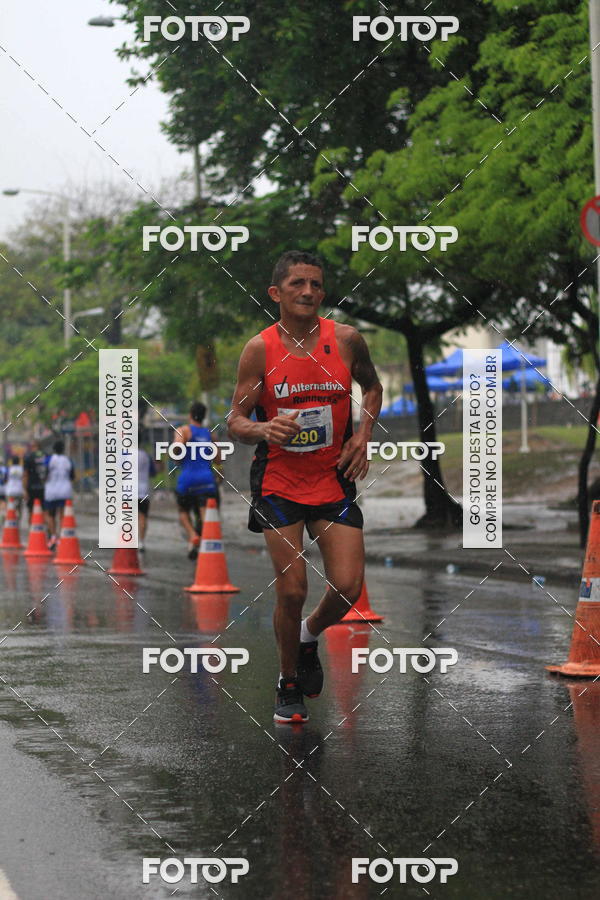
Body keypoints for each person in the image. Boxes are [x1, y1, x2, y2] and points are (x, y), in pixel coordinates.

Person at [228, 250, 383, 724]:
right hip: (278, 481)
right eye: (297, 284)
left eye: (316, 284)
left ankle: (309, 635)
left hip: (332, 477)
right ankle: (288, 681)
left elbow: (372, 388)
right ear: (276, 293)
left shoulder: (348, 340)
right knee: (291, 590)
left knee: (349, 585)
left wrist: (362, 434)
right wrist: (264, 428)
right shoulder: (260, 350)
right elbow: (235, 419)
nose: (308, 292)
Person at [173, 402, 220, 559]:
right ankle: (205, 546)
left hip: (187, 480)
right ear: (204, 416)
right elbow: (219, 459)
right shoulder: (210, 434)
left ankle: (193, 535)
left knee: (183, 511)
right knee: (204, 516)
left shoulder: (184, 431)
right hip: (207, 481)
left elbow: (176, 451)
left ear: (190, 414)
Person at [43, 440, 74, 549]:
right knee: (62, 515)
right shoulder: (68, 460)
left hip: (51, 491)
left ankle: (53, 537)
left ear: (53, 449)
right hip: (65, 491)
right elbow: (72, 477)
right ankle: (62, 537)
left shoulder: (49, 460)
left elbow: (45, 475)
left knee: (51, 515)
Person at [137, 435, 157, 551]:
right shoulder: (145, 456)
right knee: (143, 516)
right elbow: (153, 473)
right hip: (143, 491)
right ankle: (141, 542)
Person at [22, 440, 48, 523]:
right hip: (44, 487)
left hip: (31, 487)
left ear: (33, 447)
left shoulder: (28, 457)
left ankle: (32, 530)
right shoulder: (46, 456)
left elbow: (25, 475)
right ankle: (47, 531)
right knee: (45, 510)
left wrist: (25, 490)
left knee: (31, 510)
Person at [5, 455, 24, 520]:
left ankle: (10, 521)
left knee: (10, 507)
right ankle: (18, 521)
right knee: (19, 508)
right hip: (19, 491)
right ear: (19, 462)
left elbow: (5, 479)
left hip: (10, 491)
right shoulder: (22, 469)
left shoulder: (8, 469)